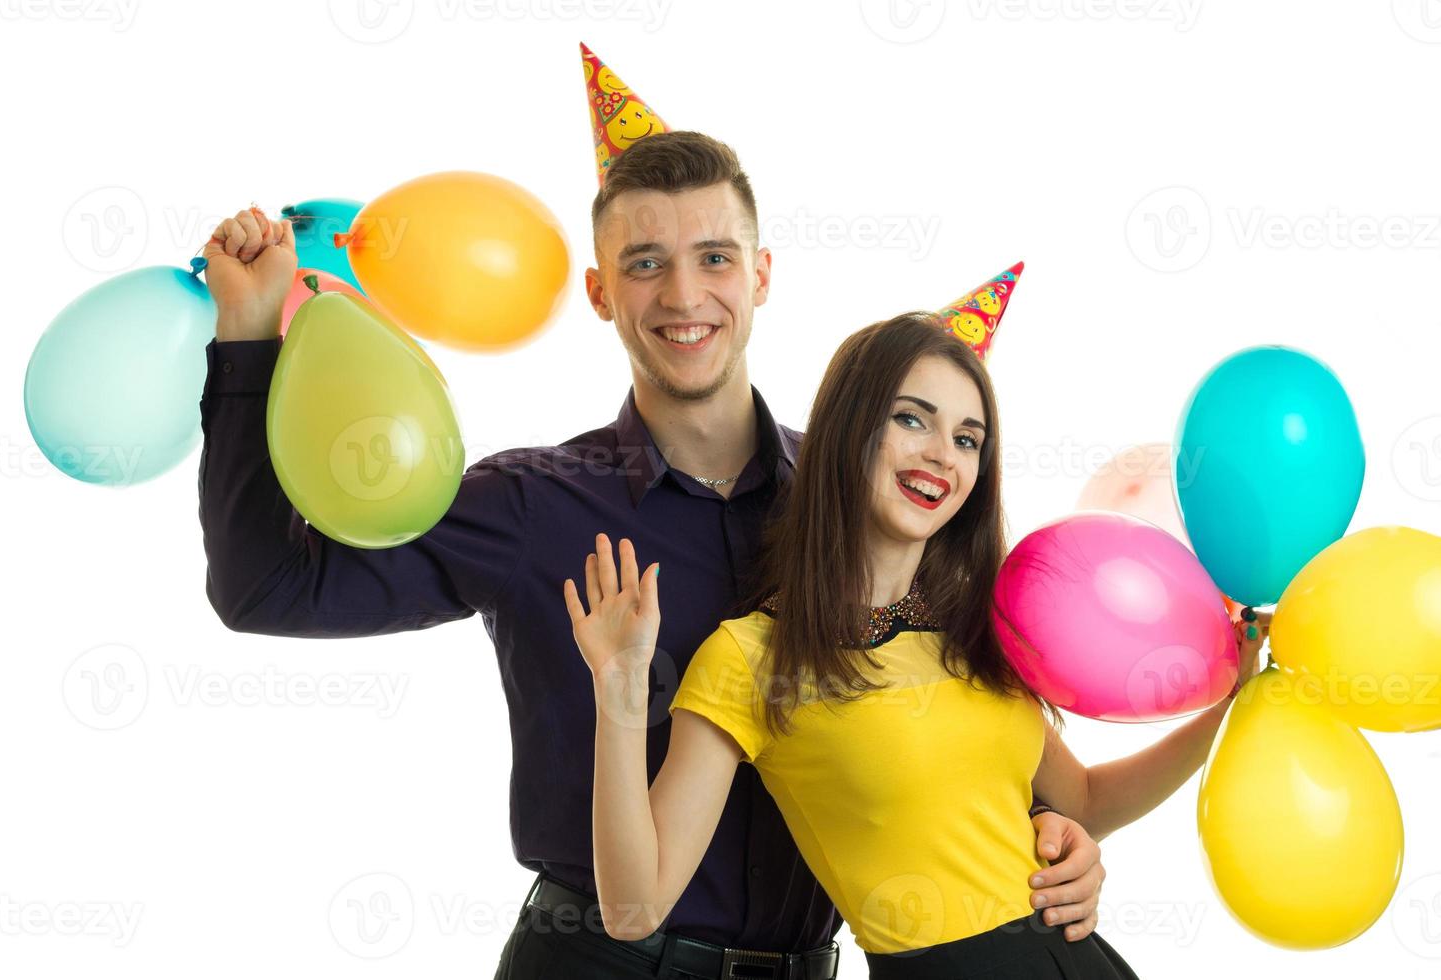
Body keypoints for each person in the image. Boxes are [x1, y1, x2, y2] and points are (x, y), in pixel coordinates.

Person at [196, 132, 1109, 979]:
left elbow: (944, 727)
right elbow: (269, 588)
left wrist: (1055, 837)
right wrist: (246, 337)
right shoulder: (531, 505)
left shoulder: (868, 503)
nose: (682, 296)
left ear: (760, 277)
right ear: (600, 292)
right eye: (644, 264)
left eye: (714, 258)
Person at [564, 312, 1269, 978]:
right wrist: (622, 693)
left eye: (968, 438)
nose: (942, 456)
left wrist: (1232, 701)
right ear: (848, 431)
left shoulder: (978, 634)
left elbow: (1081, 800)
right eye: (912, 420)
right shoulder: (751, 657)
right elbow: (635, 908)